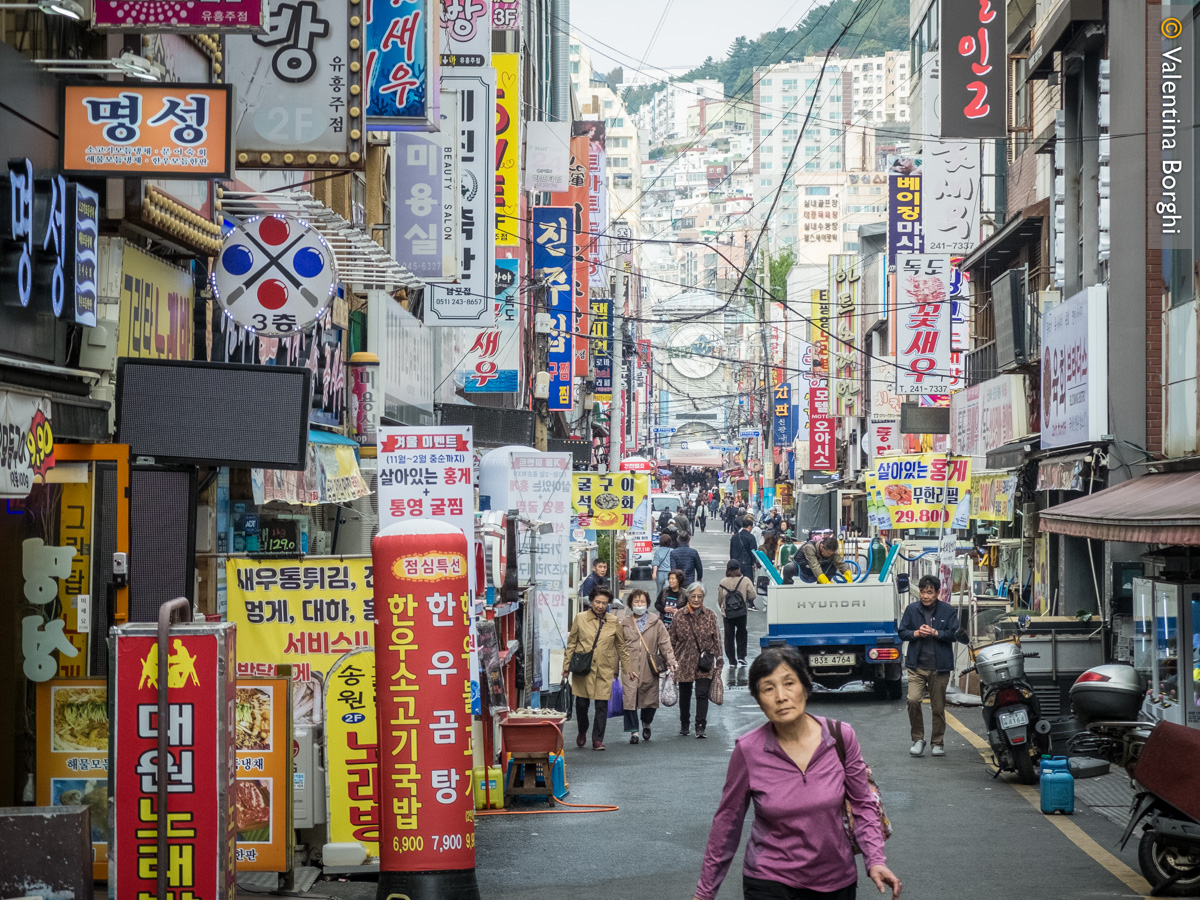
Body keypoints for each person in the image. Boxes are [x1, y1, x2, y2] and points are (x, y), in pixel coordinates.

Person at [692, 646, 902, 900]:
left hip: (836, 881)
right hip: (769, 880)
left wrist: (875, 859)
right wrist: (704, 894)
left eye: (789, 683)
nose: (781, 696)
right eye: (768, 689)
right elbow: (727, 824)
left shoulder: (840, 737)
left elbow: (862, 804)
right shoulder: (748, 750)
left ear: (805, 687)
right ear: (759, 700)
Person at [898, 574, 959, 758]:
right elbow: (902, 632)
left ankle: (937, 742)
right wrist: (916, 633)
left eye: (929, 592)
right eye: (923, 592)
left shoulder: (948, 611)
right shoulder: (911, 610)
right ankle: (918, 739)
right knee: (913, 700)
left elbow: (954, 634)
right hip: (916, 666)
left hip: (940, 667)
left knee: (938, 707)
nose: (925, 596)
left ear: (938, 593)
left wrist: (935, 632)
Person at [562, 587, 631, 751]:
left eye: (604, 603)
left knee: (601, 706)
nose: (600, 606)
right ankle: (582, 731)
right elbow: (571, 643)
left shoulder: (613, 621)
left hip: (604, 669)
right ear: (591, 601)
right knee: (581, 704)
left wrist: (628, 669)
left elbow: (621, 647)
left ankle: (597, 739)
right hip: (583, 668)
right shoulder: (580, 618)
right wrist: (566, 667)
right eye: (598, 602)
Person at [619, 589, 677, 744]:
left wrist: (671, 661)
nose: (639, 605)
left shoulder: (656, 622)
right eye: (636, 602)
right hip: (629, 668)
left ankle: (646, 722)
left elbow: (665, 643)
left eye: (642, 602)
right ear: (631, 604)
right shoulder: (625, 623)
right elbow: (619, 646)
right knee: (630, 699)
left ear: (647, 604)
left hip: (649, 667)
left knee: (650, 699)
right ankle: (634, 732)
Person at [669, 582, 722, 738]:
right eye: (693, 596)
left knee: (702, 694)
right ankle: (684, 724)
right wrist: (669, 661)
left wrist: (719, 660)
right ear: (688, 596)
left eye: (700, 596)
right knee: (685, 695)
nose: (696, 599)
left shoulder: (710, 615)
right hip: (683, 662)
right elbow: (671, 639)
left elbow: (717, 639)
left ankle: (700, 726)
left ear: (704, 597)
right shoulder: (679, 615)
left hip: (704, 663)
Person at [717, 560, 756, 667]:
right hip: (741, 613)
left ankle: (732, 661)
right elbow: (753, 595)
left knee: (729, 636)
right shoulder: (745, 580)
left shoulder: (723, 582)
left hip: (727, 614)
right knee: (742, 633)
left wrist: (723, 607)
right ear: (739, 569)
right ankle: (741, 657)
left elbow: (720, 599)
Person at [730, 517, 760, 592]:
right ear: (749, 527)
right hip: (747, 564)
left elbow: (731, 551)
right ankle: (749, 602)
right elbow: (753, 551)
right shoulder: (751, 537)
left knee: (736, 584)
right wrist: (754, 563)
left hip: (735, 565)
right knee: (748, 585)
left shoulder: (735, 537)